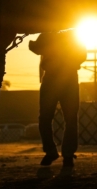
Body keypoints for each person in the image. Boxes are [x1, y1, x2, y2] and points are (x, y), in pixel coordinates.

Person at [30, 30, 86, 167]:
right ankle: (66, 154)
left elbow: (35, 48)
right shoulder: (72, 36)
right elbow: (83, 55)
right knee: (69, 118)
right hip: (68, 79)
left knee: (46, 118)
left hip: (54, 78)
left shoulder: (48, 33)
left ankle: (52, 152)